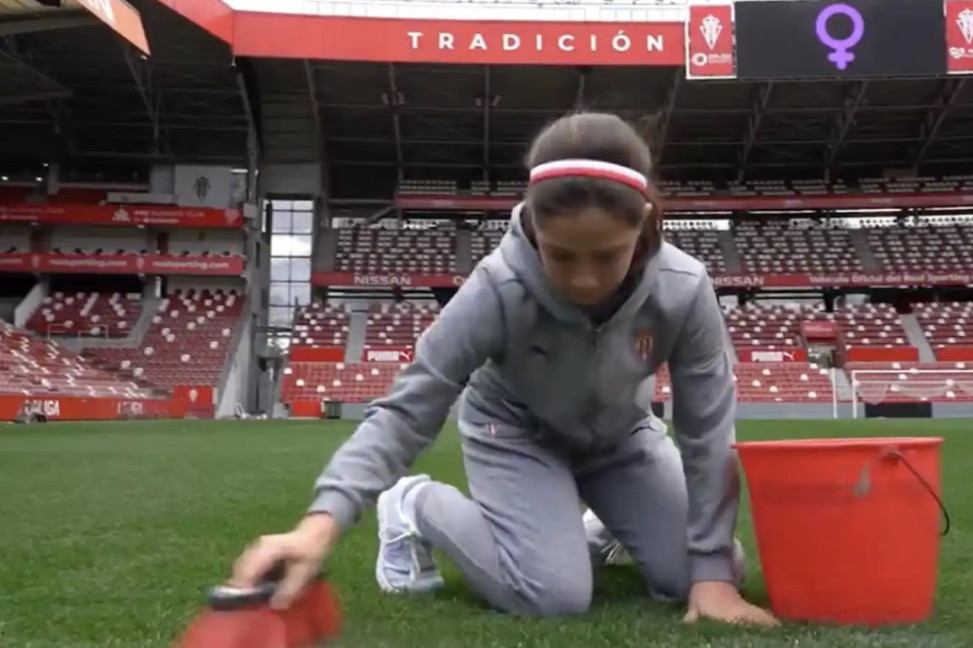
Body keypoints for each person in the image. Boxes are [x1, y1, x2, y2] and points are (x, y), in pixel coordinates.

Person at [230, 111, 779, 627]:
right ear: (534, 225)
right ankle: (414, 504)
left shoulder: (684, 289)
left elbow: (707, 432)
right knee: (551, 596)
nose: (585, 281)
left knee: (716, 570)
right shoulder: (497, 289)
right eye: (562, 255)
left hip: (621, 438)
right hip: (515, 434)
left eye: (607, 255)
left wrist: (711, 576)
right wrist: (318, 526)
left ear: (645, 226)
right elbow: (407, 410)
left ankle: (594, 526)